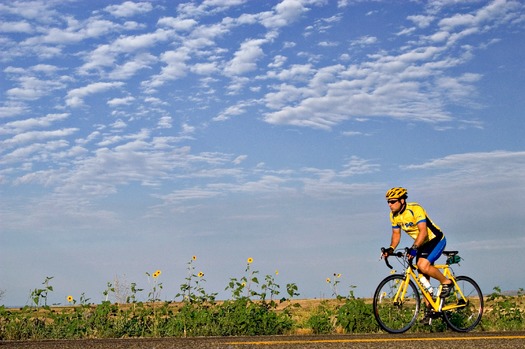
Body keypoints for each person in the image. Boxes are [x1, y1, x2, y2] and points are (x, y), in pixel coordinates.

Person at [382, 187, 454, 302]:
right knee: (423, 281)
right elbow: (396, 235)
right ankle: (430, 311)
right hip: (421, 244)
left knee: (422, 265)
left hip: (435, 240)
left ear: (402, 200)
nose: (390, 204)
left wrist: (414, 248)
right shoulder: (393, 215)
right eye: (388, 202)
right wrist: (390, 249)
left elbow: (423, 231)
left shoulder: (415, 209)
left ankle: (447, 282)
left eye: (393, 201)